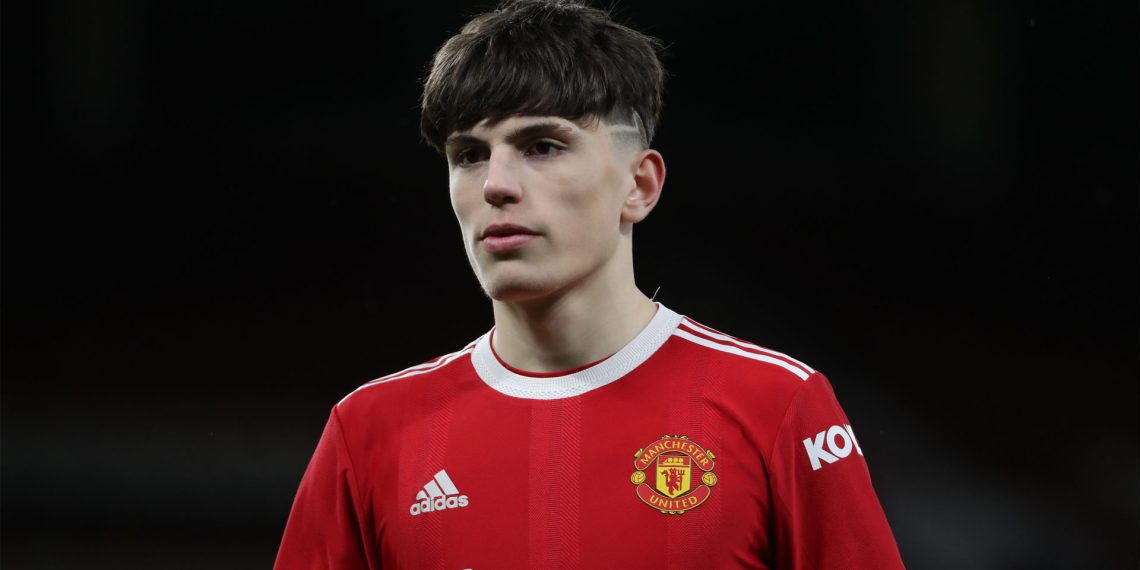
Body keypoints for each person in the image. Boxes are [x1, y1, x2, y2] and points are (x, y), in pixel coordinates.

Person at [274, 1, 905, 568]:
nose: (495, 183)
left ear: (640, 185)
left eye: (542, 145)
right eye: (468, 154)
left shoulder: (776, 407)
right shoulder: (370, 430)